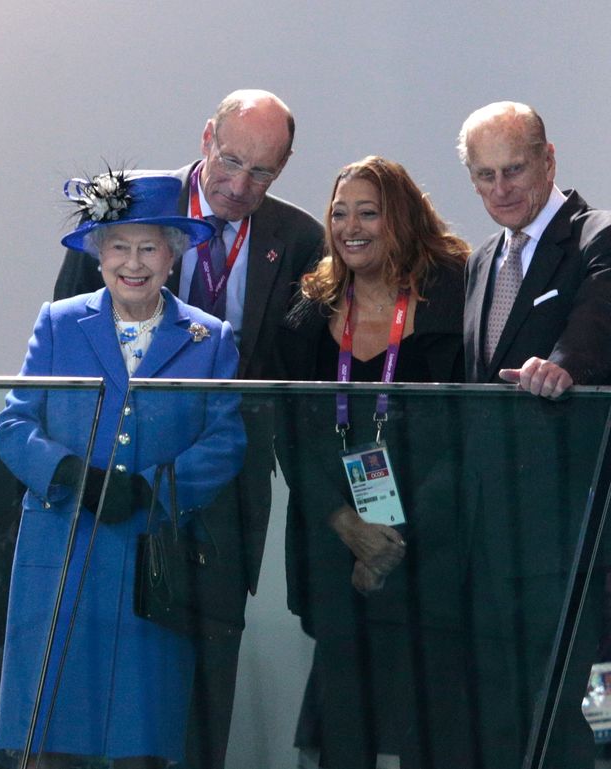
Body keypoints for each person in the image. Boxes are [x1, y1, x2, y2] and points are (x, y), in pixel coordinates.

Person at [53, 89, 324, 769]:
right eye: (230, 161)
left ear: (283, 169)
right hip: (117, 471)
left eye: (262, 173)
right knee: (112, 656)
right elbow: (66, 334)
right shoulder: (125, 201)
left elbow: (298, 374)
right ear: (206, 137)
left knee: (208, 666)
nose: (239, 186)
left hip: (224, 486)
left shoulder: (296, 239)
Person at [0, 172, 246, 768]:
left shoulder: (210, 338)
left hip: (150, 559)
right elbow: (13, 424)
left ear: (173, 254)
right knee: (51, 742)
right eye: (119, 248)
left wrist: (155, 488)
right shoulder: (58, 321)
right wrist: (72, 475)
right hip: (62, 549)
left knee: (141, 743)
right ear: (98, 255)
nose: (133, 263)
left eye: (149, 247)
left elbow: (226, 439)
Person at [276, 156, 470, 768]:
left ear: (402, 218)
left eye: (369, 212)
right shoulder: (309, 308)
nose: (349, 226)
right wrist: (347, 527)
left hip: (432, 557)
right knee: (343, 729)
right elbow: (286, 431)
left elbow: (471, 437)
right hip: (334, 552)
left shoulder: (455, 298)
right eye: (339, 212)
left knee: (427, 729)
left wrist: (390, 542)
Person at [457, 101, 611, 768]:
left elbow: (597, 326)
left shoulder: (597, 236)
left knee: (575, 713)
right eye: (484, 176)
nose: (501, 189)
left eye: (514, 169)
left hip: (571, 528)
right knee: (504, 711)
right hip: (490, 533)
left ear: (549, 160)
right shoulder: (483, 257)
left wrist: (564, 367)